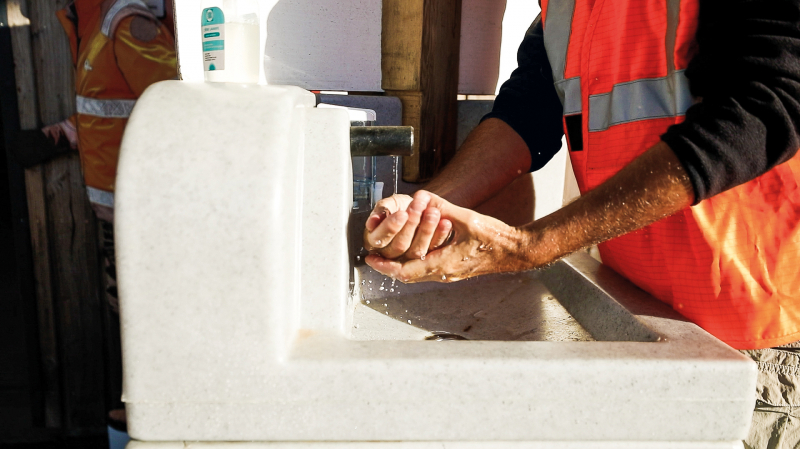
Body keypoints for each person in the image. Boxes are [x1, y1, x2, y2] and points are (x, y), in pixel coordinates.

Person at [364, 1, 800, 447]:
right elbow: (529, 112)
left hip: (760, 336)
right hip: (639, 317)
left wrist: (530, 245)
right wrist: (428, 207)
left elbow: (769, 107)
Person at [54, 0, 177, 429]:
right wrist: (71, 129)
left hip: (138, 207)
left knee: (142, 309)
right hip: (116, 206)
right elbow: (111, 98)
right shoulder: (94, 20)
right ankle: (141, 409)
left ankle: (150, 412)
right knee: (125, 308)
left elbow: (172, 106)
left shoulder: (125, 24)